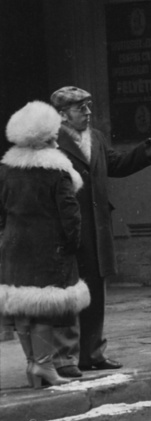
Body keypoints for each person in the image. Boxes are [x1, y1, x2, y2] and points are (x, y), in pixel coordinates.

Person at [50, 86, 151, 377]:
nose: (88, 113)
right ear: (62, 114)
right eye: (80, 108)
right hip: (67, 229)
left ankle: (92, 353)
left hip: (96, 227)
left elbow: (115, 164)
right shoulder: (50, 142)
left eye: (89, 106)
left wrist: (144, 153)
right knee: (68, 295)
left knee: (95, 292)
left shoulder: (95, 138)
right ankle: (66, 358)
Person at [0, 101, 90, 388]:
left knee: (24, 306)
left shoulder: (6, 169)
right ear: (48, 136)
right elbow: (70, 216)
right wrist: (73, 246)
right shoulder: (57, 170)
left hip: (14, 247)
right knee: (44, 308)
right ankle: (44, 366)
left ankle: (33, 364)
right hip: (49, 249)